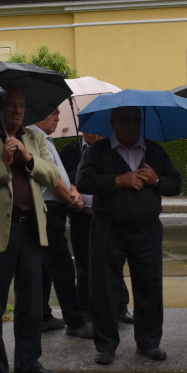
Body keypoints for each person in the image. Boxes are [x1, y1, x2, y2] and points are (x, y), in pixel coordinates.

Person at [0, 87, 67, 373]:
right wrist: (3, 165)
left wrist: (27, 157)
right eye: (11, 106)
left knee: (31, 302)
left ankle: (28, 363)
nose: (17, 111)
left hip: (31, 229)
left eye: (21, 106)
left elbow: (51, 175)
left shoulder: (34, 138)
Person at [76, 106, 182, 365]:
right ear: (113, 123)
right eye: (125, 120)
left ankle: (148, 343)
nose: (132, 125)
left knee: (149, 286)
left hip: (147, 230)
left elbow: (175, 185)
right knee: (104, 288)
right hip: (108, 229)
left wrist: (156, 180)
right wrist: (118, 181)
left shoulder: (154, 151)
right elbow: (83, 181)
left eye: (136, 120)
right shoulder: (99, 151)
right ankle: (106, 346)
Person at [28, 106, 92, 338]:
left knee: (47, 266)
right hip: (46, 209)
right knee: (63, 266)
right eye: (53, 112)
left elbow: (61, 174)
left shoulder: (46, 139)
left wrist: (72, 189)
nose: (58, 116)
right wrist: (70, 198)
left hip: (55, 207)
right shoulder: (33, 137)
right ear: (38, 114)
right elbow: (49, 177)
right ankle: (75, 321)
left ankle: (43, 315)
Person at [60, 131, 132, 325]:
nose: (96, 133)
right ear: (83, 128)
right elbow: (63, 178)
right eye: (91, 129)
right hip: (81, 216)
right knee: (84, 265)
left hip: (108, 215)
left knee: (114, 262)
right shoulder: (69, 151)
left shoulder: (110, 150)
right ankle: (87, 310)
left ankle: (120, 307)